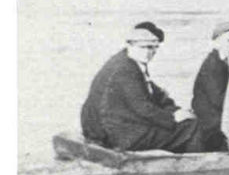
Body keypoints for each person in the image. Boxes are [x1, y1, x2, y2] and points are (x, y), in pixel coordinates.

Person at [80, 21, 204, 152]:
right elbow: (142, 107)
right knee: (191, 127)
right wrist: (173, 118)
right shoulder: (125, 70)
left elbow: (150, 91)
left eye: (151, 47)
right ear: (129, 45)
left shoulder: (126, 61)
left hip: (104, 127)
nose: (147, 52)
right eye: (142, 47)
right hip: (117, 135)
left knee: (179, 122)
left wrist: (175, 110)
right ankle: (194, 164)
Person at [191, 20, 229, 150]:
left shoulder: (221, 61)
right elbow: (219, 100)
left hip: (214, 115)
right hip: (210, 121)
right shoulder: (213, 65)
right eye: (228, 41)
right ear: (217, 42)